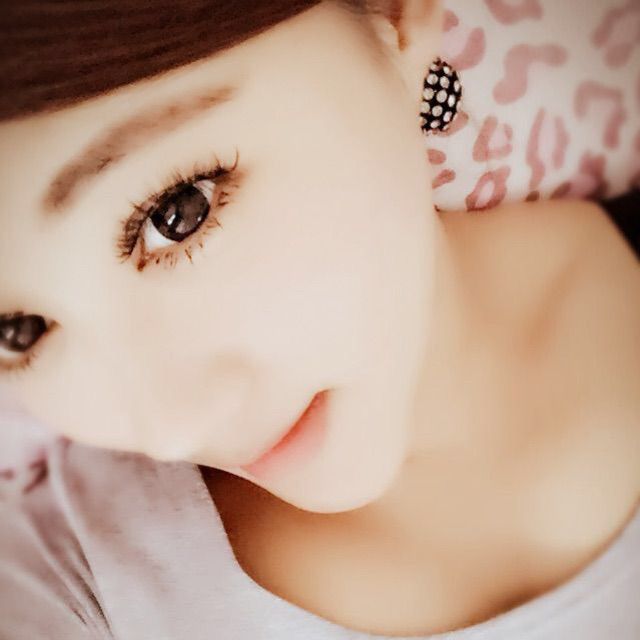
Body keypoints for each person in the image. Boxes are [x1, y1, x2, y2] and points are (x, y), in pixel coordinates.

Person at [0, 1, 639, 638]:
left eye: (179, 212)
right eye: (18, 331)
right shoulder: (60, 579)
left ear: (392, 15)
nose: (171, 430)